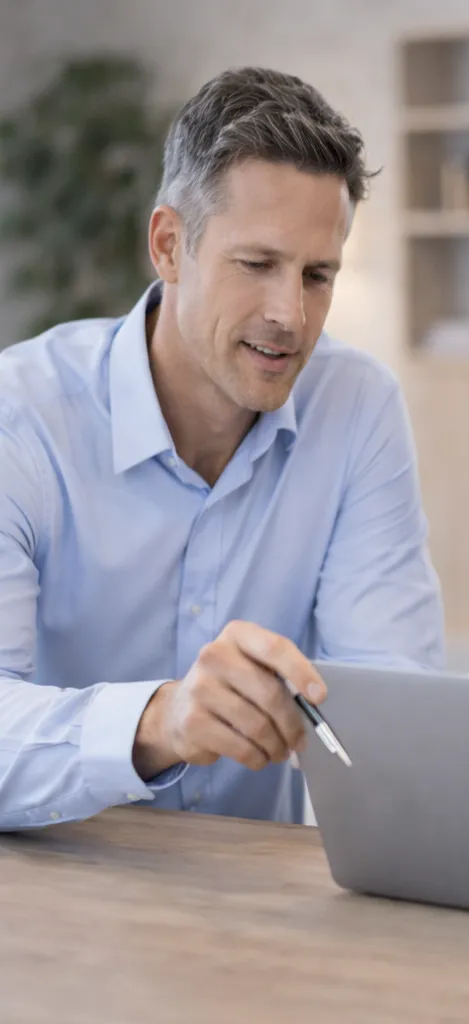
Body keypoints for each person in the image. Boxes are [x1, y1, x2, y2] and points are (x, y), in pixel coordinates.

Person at [0, 67, 443, 829]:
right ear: (170, 246)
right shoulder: (22, 415)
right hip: (54, 895)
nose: (290, 315)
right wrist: (158, 722)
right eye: (257, 264)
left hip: (257, 902)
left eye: (318, 275)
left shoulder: (357, 408)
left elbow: (389, 701)